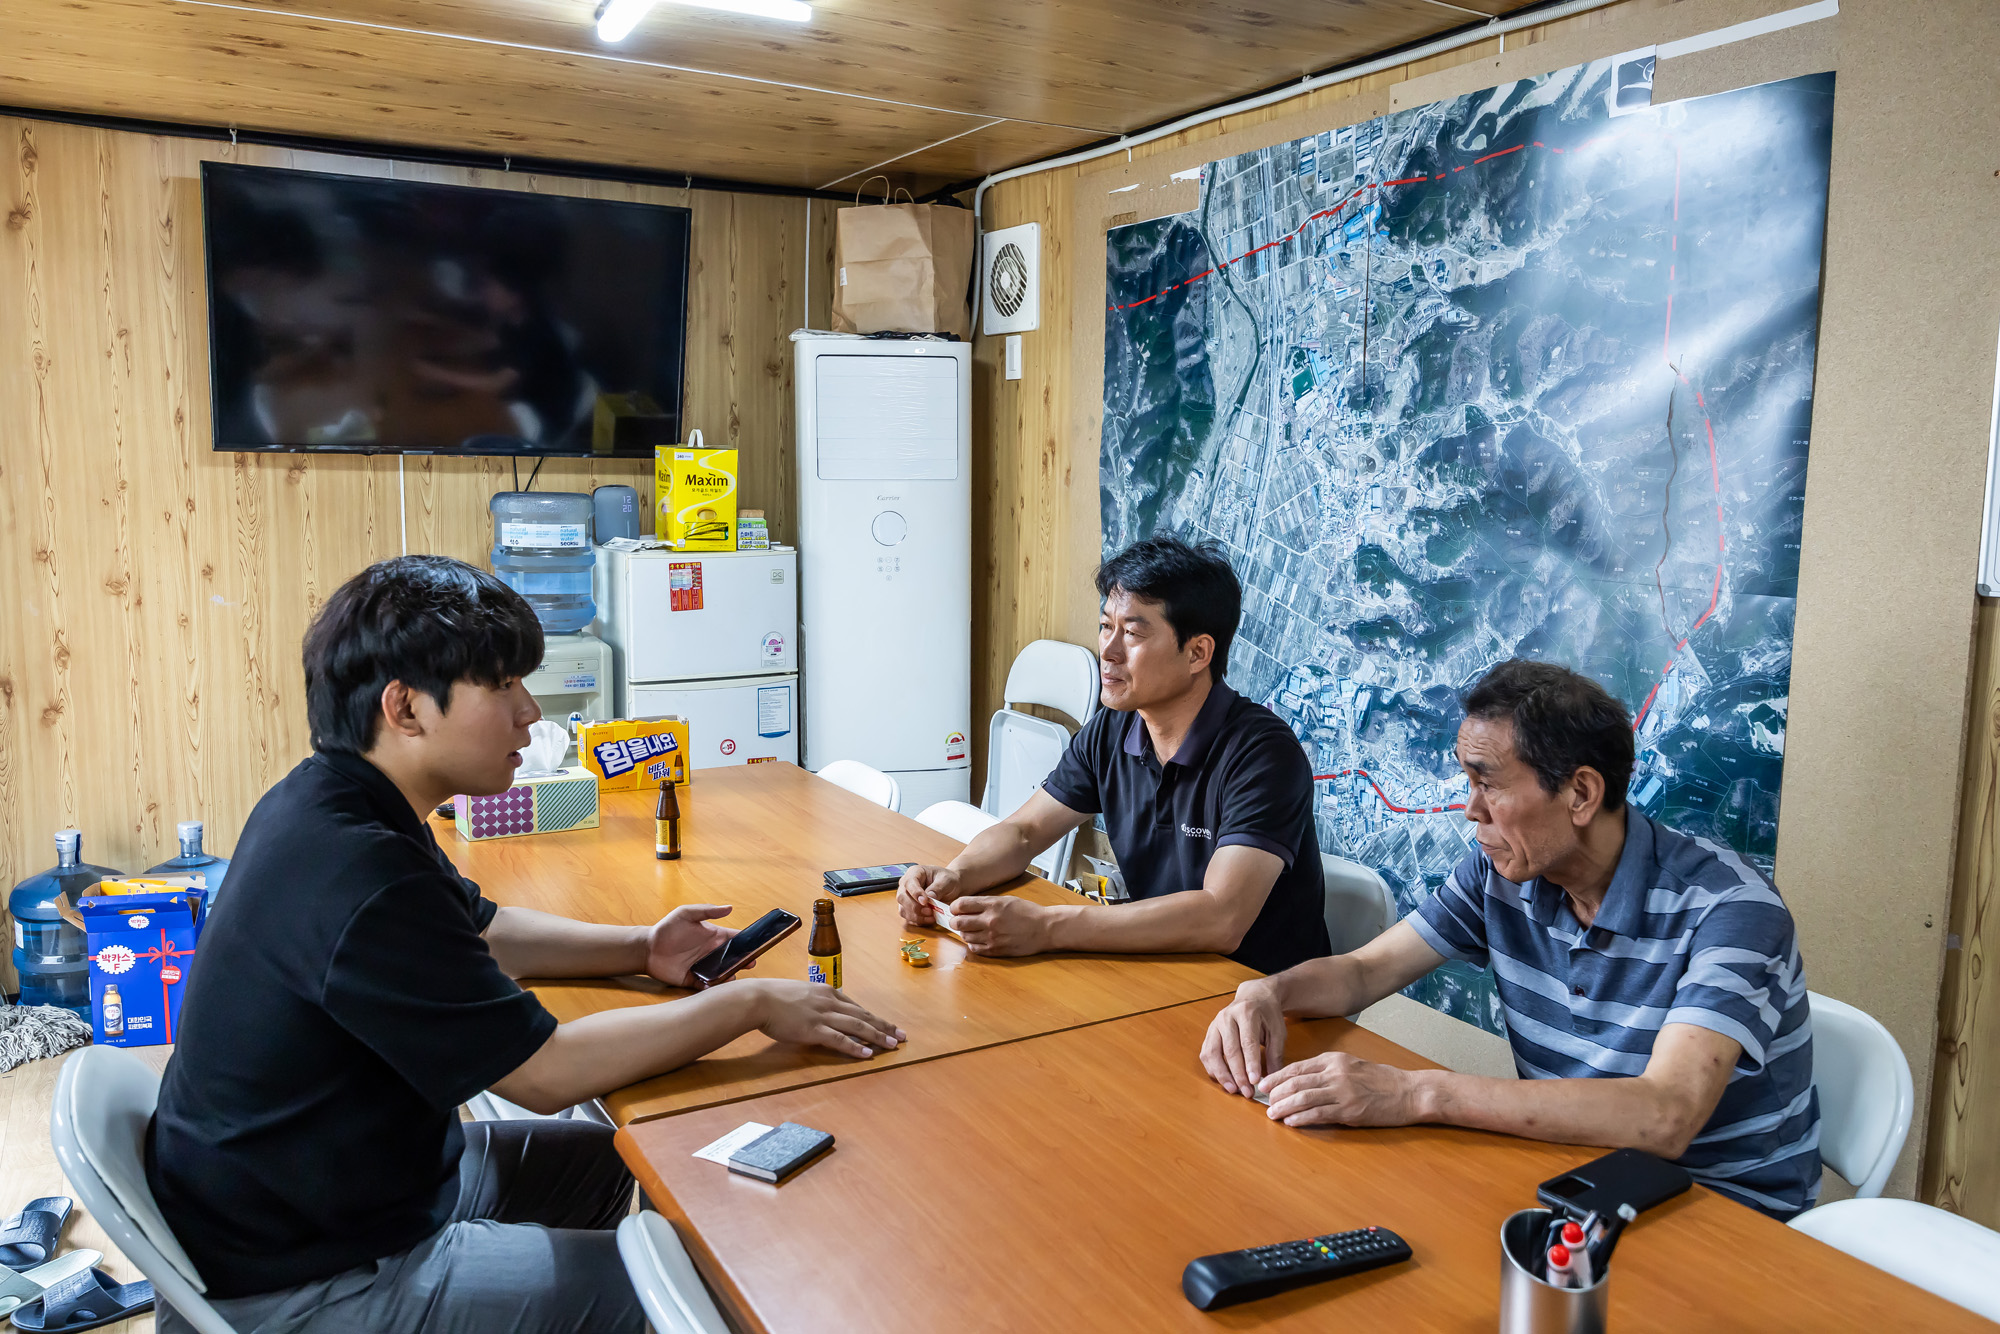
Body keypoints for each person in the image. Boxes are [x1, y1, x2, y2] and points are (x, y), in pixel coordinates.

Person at [148, 556, 905, 1333]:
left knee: (645, 1171)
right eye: (502, 685)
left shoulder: (335, 799)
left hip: (358, 1187)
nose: (531, 713)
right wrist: (749, 1003)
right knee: (708, 1291)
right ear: (405, 708)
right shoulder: (361, 872)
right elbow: (546, 1074)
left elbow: (488, 929)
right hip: (313, 1276)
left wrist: (642, 946)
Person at [1199, 658, 1821, 1219]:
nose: (1471, 809)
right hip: (1571, 1180)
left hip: (1724, 1220)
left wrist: (1416, 1091)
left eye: (1488, 782)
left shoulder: (1732, 910)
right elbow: (1363, 973)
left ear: (1580, 792)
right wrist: (1265, 992)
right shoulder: (1503, 873)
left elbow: (1666, 1115)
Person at [896, 534, 1328, 975]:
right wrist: (956, 875)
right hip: (1160, 973)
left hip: (1261, 1000)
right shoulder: (1114, 726)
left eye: (1134, 633)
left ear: (1198, 652)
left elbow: (1221, 917)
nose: (1108, 651)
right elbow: (1025, 831)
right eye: (1106, 626)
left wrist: (1047, 925)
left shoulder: (1264, 756)